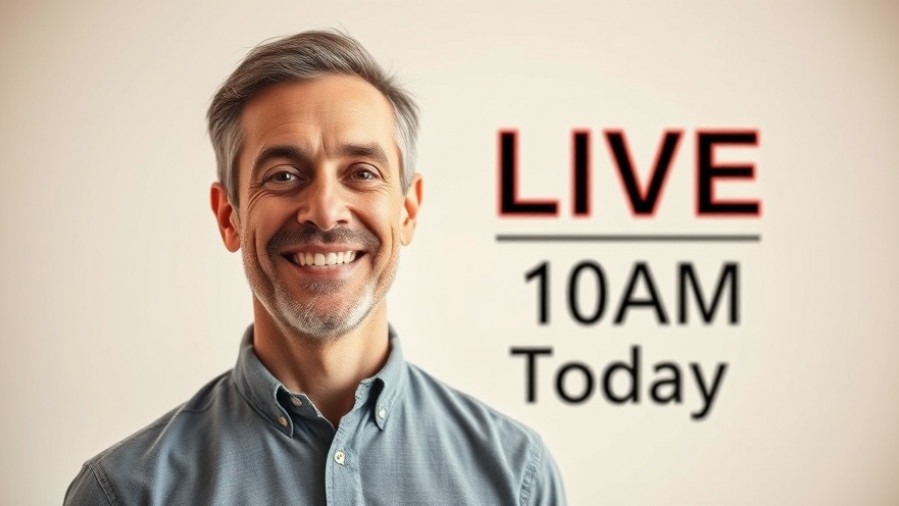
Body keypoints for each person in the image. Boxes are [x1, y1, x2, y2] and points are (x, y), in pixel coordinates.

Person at [64, 30, 566, 505]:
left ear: (407, 211)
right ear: (229, 217)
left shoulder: (515, 478)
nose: (325, 212)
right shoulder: (125, 493)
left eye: (362, 173)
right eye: (283, 176)